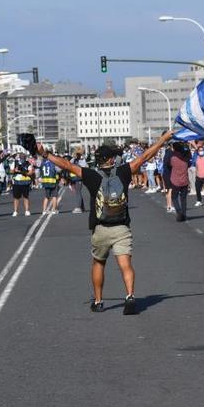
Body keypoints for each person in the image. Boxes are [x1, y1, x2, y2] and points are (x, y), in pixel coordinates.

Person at [37, 130, 174, 315]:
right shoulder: (124, 171)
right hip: (121, 227)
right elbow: (146, 156)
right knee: (125, 264)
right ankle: (130, 296)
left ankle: (99, 301)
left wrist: (45, 154)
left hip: (100, 228)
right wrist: (164, 139)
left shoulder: (91, 175)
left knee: (98, 263)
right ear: (111, 159)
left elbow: (67, 165)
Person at [168, 141, 191, 222]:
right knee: (183, 199)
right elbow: (189, 163)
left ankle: (179, 212)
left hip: (175, 180)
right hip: (184, 180)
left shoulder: (173, 158)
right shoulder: (186, 158)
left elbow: (168, 165)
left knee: (174, 197)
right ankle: (184, 214)